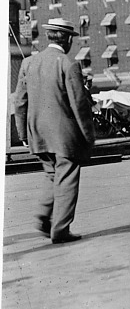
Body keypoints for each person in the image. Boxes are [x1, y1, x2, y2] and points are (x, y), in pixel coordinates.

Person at [14, 18, 96, 244]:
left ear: (50, 37)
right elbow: (79, 103)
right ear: (68, 39)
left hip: (38, 133)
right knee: (67, 176)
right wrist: (89, 136)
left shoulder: (28, 63)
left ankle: (43, 216)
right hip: (63, 135)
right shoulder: (68, 64)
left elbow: (20, 102)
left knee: (52, 174)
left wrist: (22, 134)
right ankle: (60, 229)